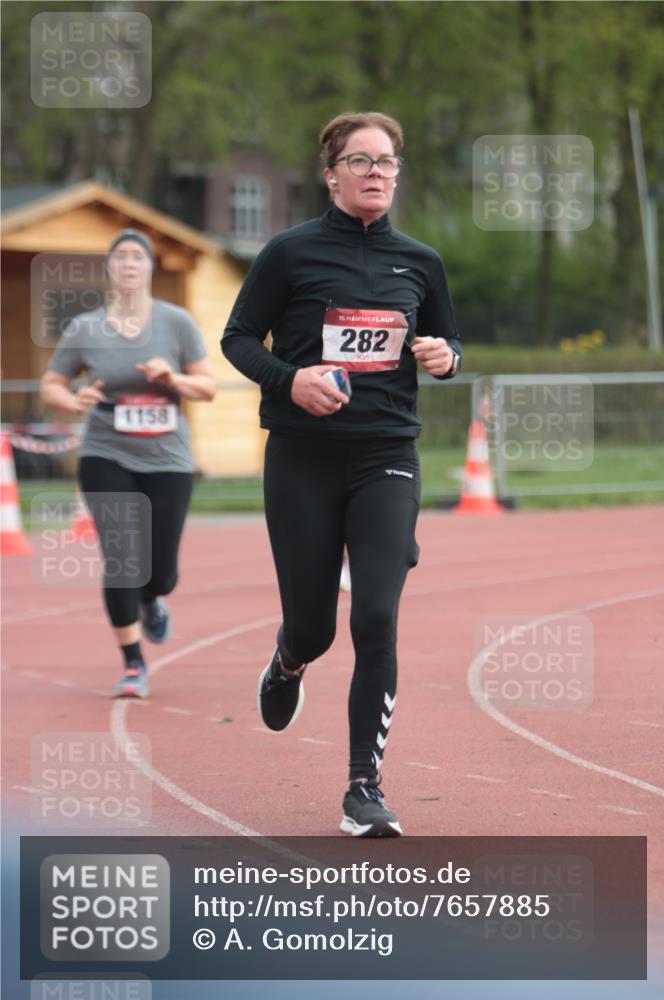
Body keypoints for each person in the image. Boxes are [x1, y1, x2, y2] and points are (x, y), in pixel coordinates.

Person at [222, 111, 462, 837]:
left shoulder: (420, 262)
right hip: (301, 459)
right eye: (361, 160)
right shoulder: (289, 253)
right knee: (315, 628)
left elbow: (447, 339)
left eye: (386, 161)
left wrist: (447, 357)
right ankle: (288, 659)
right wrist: (289, 380)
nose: (376, 172)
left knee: (376, 617)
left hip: (385, 456)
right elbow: (237, 338)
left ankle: (363, 787)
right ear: (331, 175)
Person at [41, 229, 217, 698]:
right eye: (120, 257)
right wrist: (73, 399)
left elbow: (207, 387)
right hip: (106, 452)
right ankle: (133, 663)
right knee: (122, 560)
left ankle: (151, 598)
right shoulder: (85, 328)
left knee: (161, 574)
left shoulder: (176, 322)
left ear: (150, 268)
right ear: (109, 269)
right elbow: (51, 384)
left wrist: (172, 377)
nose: (129, 264)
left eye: (138, 257)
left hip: (167, 458)